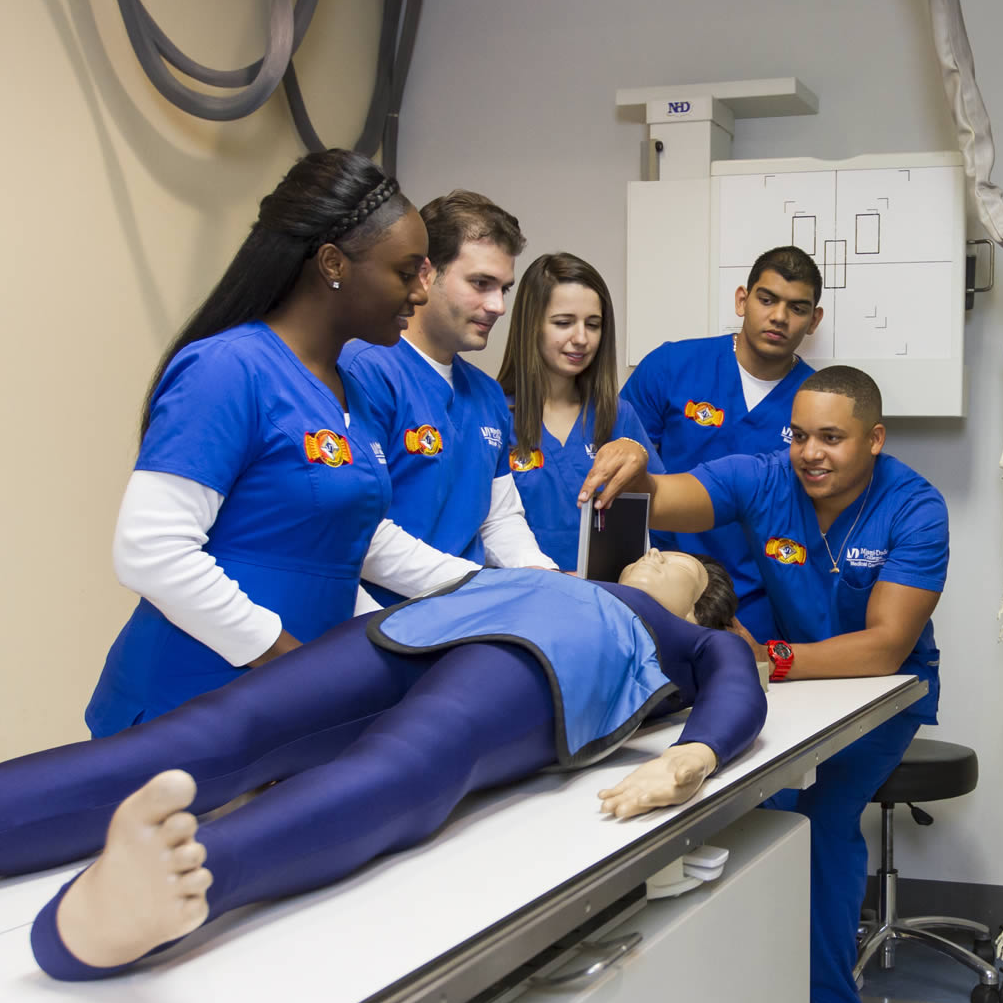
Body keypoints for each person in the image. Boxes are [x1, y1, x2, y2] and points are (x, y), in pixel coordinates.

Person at [0, 552, 760, 982]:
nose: (652, 556)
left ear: (699, 599)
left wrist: (693, 753)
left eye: (675, 562)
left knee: (405, 773)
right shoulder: (536, 572)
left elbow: (737, 682)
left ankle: (138, 910)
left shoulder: (669, 635)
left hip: (537, 669)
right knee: (200, 738)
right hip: (408, 631)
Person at [593, 365, 946, 1003]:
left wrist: (774, 659)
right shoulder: (765, 477)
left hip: (884, 695)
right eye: (800, 435)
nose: (811, 453)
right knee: (754, 815)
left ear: (873, 439)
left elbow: (885, 644)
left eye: (833, 438)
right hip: (792, 687)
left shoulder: (915, 507)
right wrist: (636, 473)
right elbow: (677, 497)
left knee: (814, 823)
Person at [86, 150, 484, 737]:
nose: (419, 295)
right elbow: (151, 552)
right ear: (333, 264)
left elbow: (347, 542)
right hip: (191, 701)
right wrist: (291, 664)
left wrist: (414, 645)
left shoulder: (351, 388)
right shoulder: (228, 369)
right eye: (405, 272)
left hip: (288, 705)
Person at [340, 191, 557, 606]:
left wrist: (538, 573)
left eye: (504, 289)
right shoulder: (363, 370)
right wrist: (482, 585)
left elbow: (499, 518)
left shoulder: (487, 393)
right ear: (425, 274)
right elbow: (364, 535)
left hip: (464, 612)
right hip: (380, 620)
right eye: (480, 284)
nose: (496, 306)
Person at [619, 245, 825, 642]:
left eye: (797, 308)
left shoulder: (817, 402)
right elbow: (621, 472)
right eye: (767, 300)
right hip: (665, 589)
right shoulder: (671, 367)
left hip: (762, 603)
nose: (779, 317)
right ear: (742, 300)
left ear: (814, 320)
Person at [497, 253, 662, 570]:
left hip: (606, 599)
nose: (582, 339)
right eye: (563, 323)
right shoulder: (494, 415)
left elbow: (661, 515)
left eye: (593, 324)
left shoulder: (616, 416)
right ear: (530, 325)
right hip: (518, 599)